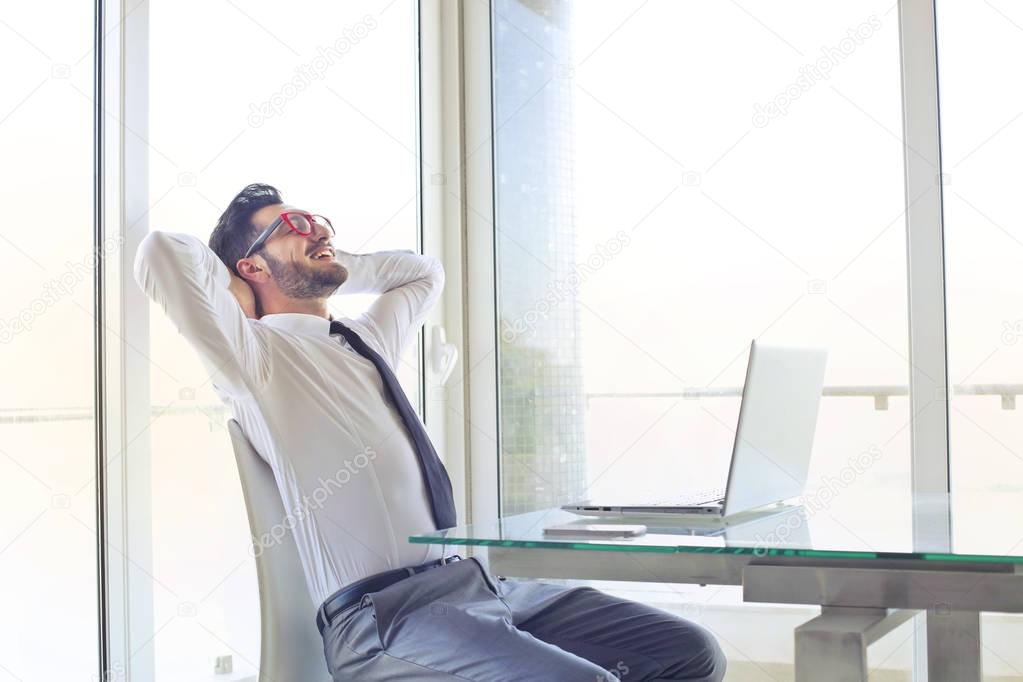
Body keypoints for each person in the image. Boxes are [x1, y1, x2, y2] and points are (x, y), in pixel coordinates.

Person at [133, 183, 726, 681]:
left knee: (689, 652)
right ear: (251, 266)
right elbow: (162, 252)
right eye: (293, 223)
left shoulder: (365, 343)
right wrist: (242, 293)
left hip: (474, 587)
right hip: (382, 620)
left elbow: (423, 274)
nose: (317, 230)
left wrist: (327, 264)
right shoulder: (254, 357)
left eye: (319, 221)